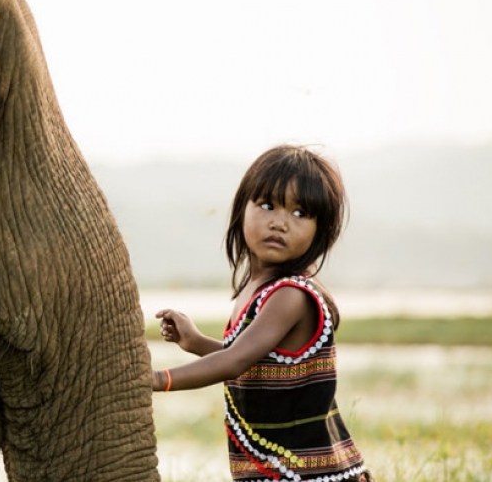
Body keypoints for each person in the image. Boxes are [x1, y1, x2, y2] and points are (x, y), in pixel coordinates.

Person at [151, 145, 372, 482]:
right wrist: (197, 342)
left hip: (311, 476)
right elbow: (256, 364)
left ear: (320, 230)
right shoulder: (256, 291)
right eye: (268, 206)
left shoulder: (291, 295)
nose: (280, 223)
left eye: (300, 213)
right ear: (241, 209)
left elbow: (236, 360)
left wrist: (158, 379)